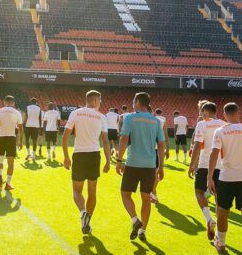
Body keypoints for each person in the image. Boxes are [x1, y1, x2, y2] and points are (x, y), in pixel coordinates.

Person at [207, 103, 242, 255]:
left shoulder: (221, 131)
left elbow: (214, 153)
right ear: (239, 112)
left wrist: (210, 178)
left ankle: (221, 244)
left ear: (224, 115)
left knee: (222, 212)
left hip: (226, 179)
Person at [116, 92, 165, 242]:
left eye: (133, 100)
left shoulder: (129, 117)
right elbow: (161, 145)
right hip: (150, 165)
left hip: (133, 163)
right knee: (145, 199)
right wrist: (161, 166)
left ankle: (135, 220)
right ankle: (143, 230)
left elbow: (124, 139)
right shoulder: (156, 121)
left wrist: (119, 159)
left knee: (125, 194)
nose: (132, 103)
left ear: (138, 102)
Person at [62, 90, 111, 235]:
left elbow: (64, 138)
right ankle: (87, 220)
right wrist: (108, 161)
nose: (100, 103)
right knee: (92, 192)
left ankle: (83, 212)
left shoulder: (75, 113)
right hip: (94, 155)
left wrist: (66, 157)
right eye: (100, 100)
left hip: (79, 154)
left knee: (77, 191)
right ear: (95, 100)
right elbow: (106, 142)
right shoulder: (102, 117)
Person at [187, 101, 224, 241]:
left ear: (205, 112)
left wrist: (191, 165)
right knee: (219, 198)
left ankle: (209, 219)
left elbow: (197, 145)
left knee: (199, 192)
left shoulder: (202, 124)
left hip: (204, 164)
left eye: (202, 112)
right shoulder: (224, 124)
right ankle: (220, 236)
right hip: (221, 166)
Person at [0, 95, 24, 190]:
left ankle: (0, 179)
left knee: (0, 160)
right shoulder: (17, 112)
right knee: (10, 163)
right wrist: (20, 141)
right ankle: (7, 183)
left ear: (4, 102)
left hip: (0, 138)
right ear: (13, 103)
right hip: (11, 139)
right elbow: (21, 128)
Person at [151, 108, 170, 203]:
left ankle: (153, 191)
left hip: (152, 149)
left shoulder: (146, 120)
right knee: (155, 172)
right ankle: (153, 191)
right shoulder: (162, 121)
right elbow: (166, 136)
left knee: (154, 172)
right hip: (157, 149)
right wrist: (168, 149)